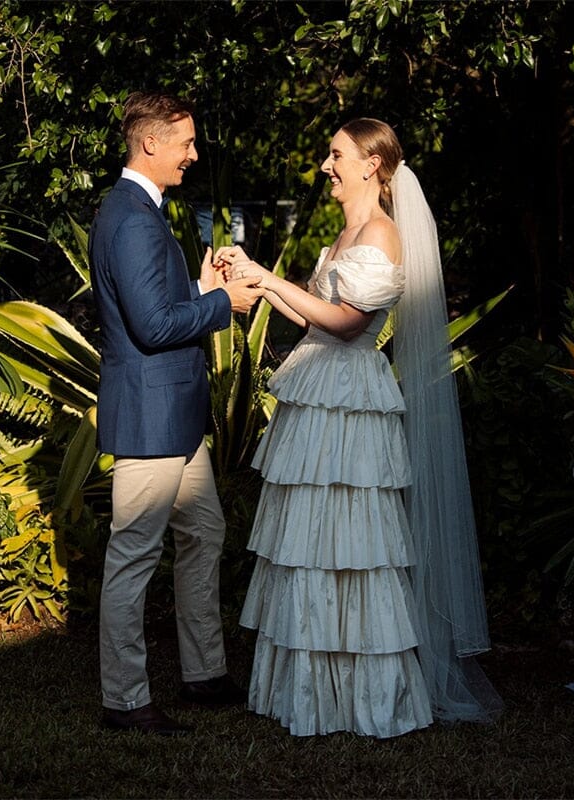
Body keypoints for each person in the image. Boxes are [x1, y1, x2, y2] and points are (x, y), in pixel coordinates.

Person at [215, 118, 501, 738]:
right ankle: (311, 691)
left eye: (336, 154)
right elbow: (314, 320)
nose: (326, 164)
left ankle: (364, 697)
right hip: (322, 386)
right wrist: (257, 276)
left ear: (371, 164)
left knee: (355, 544)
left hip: (351, 397)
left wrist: (268, 280)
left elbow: (347, 324)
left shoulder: (382, 233)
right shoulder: (346, 232)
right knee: (312, 540)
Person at [89, 91, 264, 736]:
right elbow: (155, 325)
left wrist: (205, 284)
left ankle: (204, 672)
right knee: (133, 556)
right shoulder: (132, 218)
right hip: (152, 418)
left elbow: (161, 301)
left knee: (205, 532)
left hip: (178, 421)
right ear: (151, 143)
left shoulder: (142, 209)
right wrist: (226, 306)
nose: (193, 154)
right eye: (185, 143)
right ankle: (125, 700)